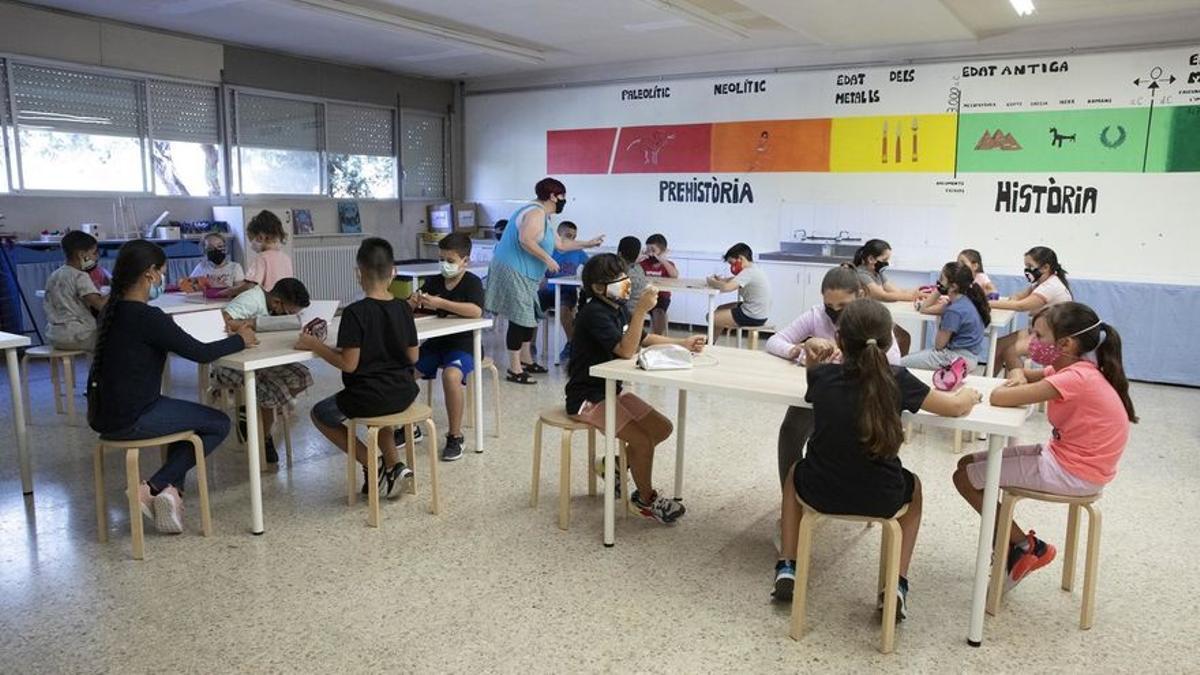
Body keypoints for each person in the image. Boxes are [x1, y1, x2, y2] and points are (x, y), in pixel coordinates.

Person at [772, 299, 981, 620]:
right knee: (916, 488)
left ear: (839, 339)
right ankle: (895, 585)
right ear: (889, 342)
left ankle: (787, 565)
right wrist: (970, 395)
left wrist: (814, 361)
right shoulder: (899, 379)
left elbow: (815, 383)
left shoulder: (823, 377)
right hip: (882, 496)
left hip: (819, 491)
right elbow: (953, 407)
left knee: (793, 473)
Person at [953, 302, 1136, 594]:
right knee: (966, 464)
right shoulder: (1073, 368)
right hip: (1067, 460)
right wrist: (1018, 375)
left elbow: (1001, 396)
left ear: (1065, 343)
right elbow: (1023, 377)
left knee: (964, 478)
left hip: (1073, 472)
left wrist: (1015, 374)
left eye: (1038, 336)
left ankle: (1025, 546)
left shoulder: (1075, 377)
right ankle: (1012, 548)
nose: (1032, 343)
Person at [86, 240, 254, 533]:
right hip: (134, 416)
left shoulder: (111, 312)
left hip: (103, 415)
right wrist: (242, 340)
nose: (162, 280)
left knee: (185, 422)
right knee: (217, 423)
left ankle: (171, 495)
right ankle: (153, 486)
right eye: (162, 273)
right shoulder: (148, 317)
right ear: (149, 274)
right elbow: (200, 353)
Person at [566, 253, 705, 524]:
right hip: (586, 398)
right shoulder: (594, 312)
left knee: (661, 428)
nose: (626, 281)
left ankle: (616, 465)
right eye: (618, 278)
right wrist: (642, 309)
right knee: (641, 440)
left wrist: (682, 342)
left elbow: (640, 337)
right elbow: (626, 350)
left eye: (625, 275)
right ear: (597, 287)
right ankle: (645, 499)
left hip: (611, 391)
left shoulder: (616, 307)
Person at [300, 237, 420, 497]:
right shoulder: (403, 308)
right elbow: (412, 356)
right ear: (392, 272)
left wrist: (315, 346)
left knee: (320, 414)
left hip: (369, 396)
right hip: (404, 392)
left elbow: (349, 364)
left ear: (358, 272)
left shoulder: (355, 313)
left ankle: (370, 462)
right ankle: (395, 466)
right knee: (379, 408)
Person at [767, 265, 901, 488]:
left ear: (860, 295)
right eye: (829, 306)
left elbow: (894, 361)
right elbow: (775, 340)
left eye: (843, 306)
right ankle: (793, 496)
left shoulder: (872, 317)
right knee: (790, 431)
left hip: (862, 394)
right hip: (824, 391)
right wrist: (801, 350)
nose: (835, 312)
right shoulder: (816, 315)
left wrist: (852, 356)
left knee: (846, 439)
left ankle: (853, 491)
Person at [484, 177, 603, 384]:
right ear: (553, 196)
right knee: (520, 318)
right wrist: (547, 259)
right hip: (512, 270)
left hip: (526, 274)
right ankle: (515, 368)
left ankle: (527, 360)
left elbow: (561, 244)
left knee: (530, 316)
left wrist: (589, 243)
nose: (564, 200)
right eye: (562, 196)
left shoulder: (544, 216)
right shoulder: (535, 212)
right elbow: (525, 239)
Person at [214, 277, 313, 464]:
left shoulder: (274, 306)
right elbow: (223, 320)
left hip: (263, 358)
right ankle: (264, 436)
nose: (288, 316)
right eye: (288, 312)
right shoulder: (251, 300)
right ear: (277, 302)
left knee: (302, 376)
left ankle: (253, 413)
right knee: (270, 392)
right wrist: (255, 323)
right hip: (233, 361)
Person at [410, 232, 485, 461]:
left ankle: (455, 436)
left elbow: (476, 311)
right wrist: (415, 302)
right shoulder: (434, 282)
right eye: (441, 259)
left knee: (451, 376)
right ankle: (408, 427)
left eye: (450, 261)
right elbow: (418, 309)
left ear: (465, 261)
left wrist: (441, 303)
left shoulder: (472, 282)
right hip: (436, 344)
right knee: (404, 370)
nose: (445, 265)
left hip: (465, 345)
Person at [989, 246, 1073, 376]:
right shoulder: (1039, 283)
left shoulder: (1050, 287)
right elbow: (1018, 297)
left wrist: (988, 304)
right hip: (1037, 332)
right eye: (1025, 266)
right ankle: (988, 381)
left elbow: (1021, 306)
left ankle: (1020, 385)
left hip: (1052, 339)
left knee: (1010, 352)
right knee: (998, 345)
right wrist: (1012, 300)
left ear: (1045, 267)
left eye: (1030, 266)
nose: (1027, 270)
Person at [901, 262, 989, 370]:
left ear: (953, 286)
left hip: (954, 358)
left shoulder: (954, 310)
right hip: (968, 358)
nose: (939, 282)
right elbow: (925, 308)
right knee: (916, 357)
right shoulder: (965, 301)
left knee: (900, 363)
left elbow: (939, 345)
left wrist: (938, 290)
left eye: (941, 279)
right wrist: (940, 289)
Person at [851, 239, 926, 355]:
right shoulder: (862, 274)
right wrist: (912, 296)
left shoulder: (877, 273)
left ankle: (894, 368)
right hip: (865, 320)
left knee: (904, 338)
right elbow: (882, 295)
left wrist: (919, 292)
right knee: (902, 338)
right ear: (871, 259)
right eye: (884, 260)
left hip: (875, 316)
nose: (886, 263)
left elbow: (896, 291)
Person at [536, 221, 590, 362]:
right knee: (532, 307)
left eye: (574, 236)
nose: (571, 239)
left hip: (567, 290)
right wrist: (540, 278)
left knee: (564, 310)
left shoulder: (578, 252)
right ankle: (529, 344)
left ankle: (571, 344)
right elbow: (536, 267)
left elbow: (591, 266)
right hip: (547, 290)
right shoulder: (548, 249)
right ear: (558, 235)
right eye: (568, 235)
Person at [44, 230, 106, 351]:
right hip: (78, 336)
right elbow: (100, 305)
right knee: (117, 339)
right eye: (94, 253)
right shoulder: (80, 276)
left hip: (55, 336)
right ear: (82, 255)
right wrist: (119, 289)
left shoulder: (55, 275)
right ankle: (100, 370)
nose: (96, 257)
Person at [706, 242, 771, 336]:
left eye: (732, 263)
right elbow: (732, 280)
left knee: (711, 317)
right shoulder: (753, 269)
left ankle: (710, 344)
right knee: (720, 309)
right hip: (759, 312)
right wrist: (720, 280)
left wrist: (711, 282)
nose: (731, 267)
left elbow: (726, 287)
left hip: (752, 315)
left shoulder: (748, 272)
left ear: (740, 258)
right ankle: (711, 343)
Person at [224, 210, 294, 297]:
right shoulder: (285, 258)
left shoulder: (261, 258)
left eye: (251, 240)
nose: (252, 245)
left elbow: (250, 286)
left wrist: (230, 291)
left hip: (267, 303)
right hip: (282, 302)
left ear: (260, 237)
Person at [639, 233, 679, 335]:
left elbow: (674, 275)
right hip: (644, 294)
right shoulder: (643, 263)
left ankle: (657, 336)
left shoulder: (668, 264)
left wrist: (662, 259)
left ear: (662, 251)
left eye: (653, 250)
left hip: (661, 297)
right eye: (648, 250)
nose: (650, 253)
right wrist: (639, 258)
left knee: (659, 311)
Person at [617, 236, 648, 303]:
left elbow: (619, 300)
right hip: (639, 308)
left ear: (619, 254)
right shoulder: (638, 268)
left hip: (626, 311)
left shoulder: (622, 274)